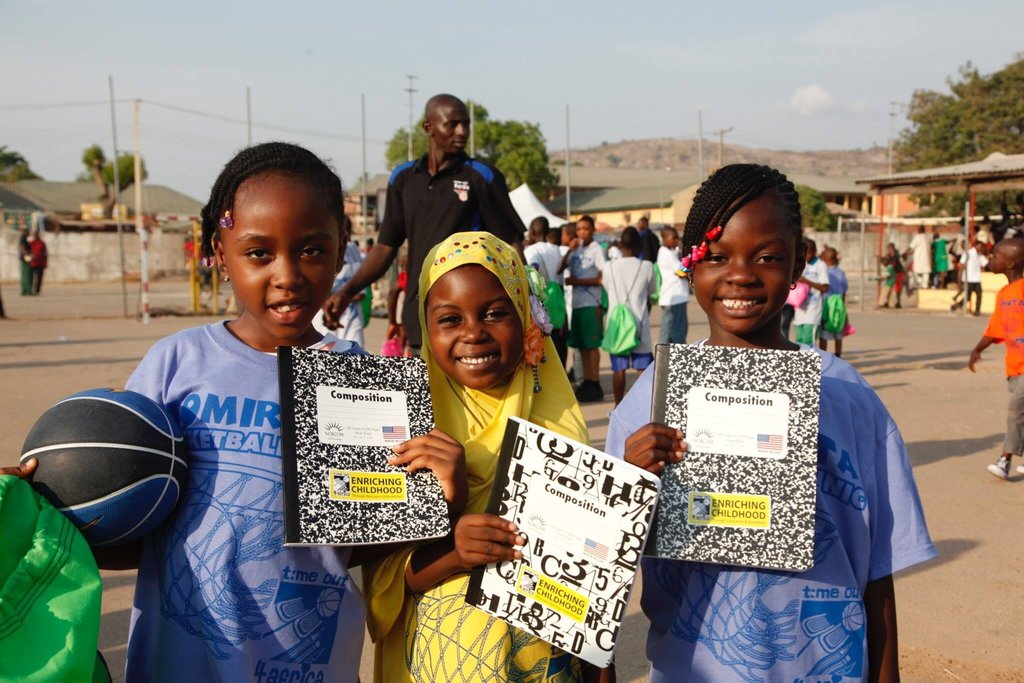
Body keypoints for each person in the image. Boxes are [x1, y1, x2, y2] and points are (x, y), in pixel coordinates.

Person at [112, 142, 466, 682]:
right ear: (219, 251)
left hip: (303, 664)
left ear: (342, 247)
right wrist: (53, 499)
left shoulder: (360, 378)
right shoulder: (176, 363)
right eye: (259, 253)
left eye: (311, 250)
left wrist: (438, 500)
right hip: (177, 664)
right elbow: (121, 511)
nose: (288, 274)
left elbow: (361, 546)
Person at [606, 164, 936, 683]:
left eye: (767, 257)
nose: (740, 274)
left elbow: (878, 574)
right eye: (717, 257)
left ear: (800, 262)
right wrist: (628, 483)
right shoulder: (644, 405)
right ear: (689, 264)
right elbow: (605, 566)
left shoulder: (849, 398)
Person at [362, 232, 600, 683]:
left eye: (495, 313)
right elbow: (382, 583)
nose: (473, 332)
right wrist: (453, 539)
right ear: (425, 328)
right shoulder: (404, 428)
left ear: (526, 316)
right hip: (435, 665)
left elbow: (592, 597)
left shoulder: (563, 428)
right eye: (449, 318)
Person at [322, 93, 525, 354]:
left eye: (465, 124)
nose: (462, 131)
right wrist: (346, 292)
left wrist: (525, 305)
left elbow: (511, 246)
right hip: (420, 314)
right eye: (452, 124)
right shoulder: (404, 178)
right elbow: (385, 248)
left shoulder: (481, 176)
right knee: (426, 394)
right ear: (428, 128)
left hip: (471, 321)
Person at [969, 239, 1024, 480]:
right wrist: (977, 349)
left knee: (1016, 410)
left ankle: (1005, 459)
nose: (991, 260)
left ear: (1010, 263)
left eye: (995, 256)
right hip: (1014, 365)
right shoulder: (1004, 293)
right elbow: (995, 329)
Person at [601, 226, 656, 405]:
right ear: (639, 246)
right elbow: (652, 292)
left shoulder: (608, 266)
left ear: (621, 245)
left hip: (617, 326)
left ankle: (618, 408)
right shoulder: (647, 266)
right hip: (639, 323)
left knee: (618, 370)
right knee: (643, 370)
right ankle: (643, 409)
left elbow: (607, 288)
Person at [564, 214, 606, 402]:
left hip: (591, 303)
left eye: (585, 229)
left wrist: (577, 281)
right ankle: (587, 381)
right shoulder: (575, 249)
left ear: (593, 230)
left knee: (591, 346)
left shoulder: (596, 249)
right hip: (577, 303)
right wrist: (568, 251)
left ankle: (594, 381)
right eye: (579, 229)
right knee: (581, 346)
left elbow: (601, 278)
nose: (582, 232)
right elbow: (560, 269)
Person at [314, 218, 367, 346]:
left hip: (350, 318)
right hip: (323, 320)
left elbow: (361, 293)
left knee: (354, 358)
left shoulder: (353, 251)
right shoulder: (317, 255)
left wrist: (343, 298)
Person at [525, 216, 569, 367]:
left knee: (544, 339)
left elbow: (533, 267)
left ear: (533, 231)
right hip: (558, 297)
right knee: (560, 339)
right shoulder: (555, 249)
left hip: (542, 299)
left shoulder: (531, 250)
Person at [792, 237, 829, 346]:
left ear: (814, 251)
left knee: (808, 342)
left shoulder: (820, 265)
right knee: (799, 341)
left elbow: (825, 288)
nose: (807, 256)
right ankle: (800, 362)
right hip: (799, 309)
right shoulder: (798, 263)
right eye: (804, 253)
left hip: (813, 310)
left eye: (809, 253)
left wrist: (807, 281)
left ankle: (808, 362)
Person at [656, 225, 689, 344]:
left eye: (677, 238)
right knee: (677, 330)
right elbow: (681, 272)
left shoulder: (670, 252)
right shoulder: (665, 253)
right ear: (664, 239)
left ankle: (666, 357)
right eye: (673, 238)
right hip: (675, 296)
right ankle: (676, 356)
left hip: (673, 296)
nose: (676, 240)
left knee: (669, 329)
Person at [818, 246, 850, 358]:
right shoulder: (841, 273)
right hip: (839, 304)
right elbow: (845, 290)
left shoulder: (825, 272)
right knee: (838, 333)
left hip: (827, 304)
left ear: (826, 259)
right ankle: (838, 355)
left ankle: (823, 356)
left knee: (824, 332)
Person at [957, 238, 988, 315]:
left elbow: (987, 264)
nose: (981, 249)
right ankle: (955, 306)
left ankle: (977, 311)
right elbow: (961, 268)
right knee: (967, 297)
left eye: (982, 247)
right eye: (980, 247)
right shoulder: (968, 254)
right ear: (976, 246)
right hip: (968, 279)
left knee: (979, 295)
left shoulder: (980, 255)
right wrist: (959, 281)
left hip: (977, 279)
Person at [879, 242, 904, 308]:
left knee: (897, 289)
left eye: (888, 249)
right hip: (893, 274)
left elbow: (891, 264)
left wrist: (883, 259)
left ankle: (898, 303)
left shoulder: (895, 255)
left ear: (891, 249)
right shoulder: (890, 256)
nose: (887, 251)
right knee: (890, 289)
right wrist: (883, 258)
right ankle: (890, 303)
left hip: (898, 273)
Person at [907, 226, 932, 290]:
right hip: (926, 258)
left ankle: (921, 283)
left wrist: (905, 252)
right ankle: (924, 285)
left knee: (916, 272)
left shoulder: (918, 237)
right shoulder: (928, 237)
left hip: (919, 258)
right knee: (926, 272)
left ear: (919, 230)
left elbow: (911, 247)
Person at [25, 228, 47, 295]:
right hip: (32, 263)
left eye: (37, 234)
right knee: (31, 278)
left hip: (40, 263)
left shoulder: (42, 243)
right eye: (35, 234)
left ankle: (37, 291)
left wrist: (45, 262)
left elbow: (45, 254)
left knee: (39, 278)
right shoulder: (31, 243)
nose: (36, 236)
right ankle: (31, 290)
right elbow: (27, 252)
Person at [18, 226, 31, 296]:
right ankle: (26, 290)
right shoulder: (23, 237)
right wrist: (26, 253)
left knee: (26, 274)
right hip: (25, 258)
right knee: (26, 274)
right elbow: (22, 246)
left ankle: (25, 290)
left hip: (24, 257)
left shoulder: (24, 238)